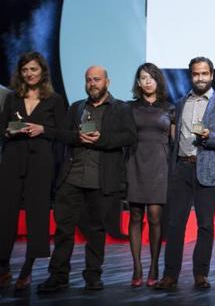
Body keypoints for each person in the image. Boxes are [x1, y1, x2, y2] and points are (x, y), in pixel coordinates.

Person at [37, 65, 137, 292]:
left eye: (97, 79)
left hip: (101, 179)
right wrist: (77, 136)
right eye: (89, 80)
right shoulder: (76, 107)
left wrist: (101, 139)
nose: (92, 84)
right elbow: (62, 134)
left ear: (107, 83)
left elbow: (130, 136)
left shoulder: (120, 108)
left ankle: (93, 275)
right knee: (63, 230)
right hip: (71, 178)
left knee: (96, 230)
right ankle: (59, 275)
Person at [155, 56, 215, 290]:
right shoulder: (179, 103)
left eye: (204, 74)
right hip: (182, 167)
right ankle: (170, 275)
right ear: (191, 76)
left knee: (206, 225)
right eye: (196, 74)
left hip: (207, 168)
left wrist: (210, 137)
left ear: (211, 75)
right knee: (175, 224)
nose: (200, 78)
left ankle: (201, 274)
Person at [0, 52, 65, 290]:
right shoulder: (13, 98)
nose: (29, 74)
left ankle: (27, 270)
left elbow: (63, 133)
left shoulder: (54, 100)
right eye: (25, 70)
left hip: (40, 163)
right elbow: (2, 129)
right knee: (5, 213)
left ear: (43, 72)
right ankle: (4, 267)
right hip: (12, 160)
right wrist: (9, 132)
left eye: (33, 69)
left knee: (36, 215)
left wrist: (42, 129)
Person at [126, 63, 175, 287]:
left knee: (155, 217)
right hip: (134, 164)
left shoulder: (170, 108)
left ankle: (154, 265)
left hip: (159, 166)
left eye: (151, 77)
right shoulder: (129, 108)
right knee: (135, 216)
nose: (147, 81)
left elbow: (174, 141)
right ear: (137, 82)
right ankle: (137, 267)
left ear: (158, 81)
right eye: (143, 77)